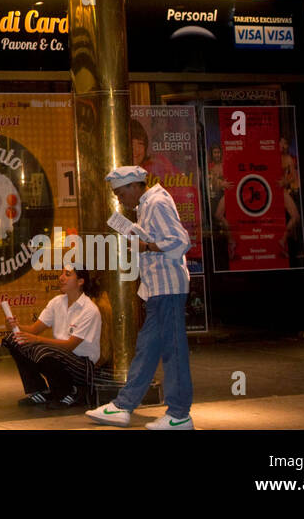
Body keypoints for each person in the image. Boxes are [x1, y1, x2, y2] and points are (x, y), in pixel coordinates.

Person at [87, 165, 194, 430]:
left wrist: (144, 246)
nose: (120, 199)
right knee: (147, 350)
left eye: (121, 193)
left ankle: (180, 415)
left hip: (168, 288)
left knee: (173, 351)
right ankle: (124, 405)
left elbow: (180, 242)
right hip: (159, 288)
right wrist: (139, 238)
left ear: (135, 186)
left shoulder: (156, 203)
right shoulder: (148, 205)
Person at [2, 266, 101, 410]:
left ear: (80, 281)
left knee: (43, 351)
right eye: (61, 273)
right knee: (14, 340)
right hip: (59, 355)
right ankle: (40, 391)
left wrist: (36, 340)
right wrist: (14, 326)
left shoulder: (89, 310)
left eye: (67, 274)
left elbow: (70, 345)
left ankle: (71, 392)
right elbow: (34, 330)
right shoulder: (57, 302)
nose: (61, 277)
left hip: (82, 365)